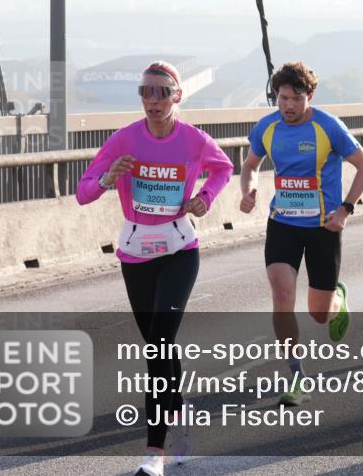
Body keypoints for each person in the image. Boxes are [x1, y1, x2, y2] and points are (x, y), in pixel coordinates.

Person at [77, 60, 233, 476]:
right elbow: (83, 192)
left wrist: (206, 197)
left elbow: (224, 168)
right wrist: (110, 178)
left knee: (159, 342)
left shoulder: (193, 140)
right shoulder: (124, 139)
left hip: (180, 249)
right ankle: (179, 417)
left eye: (161, 92)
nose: (152, 100)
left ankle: (153, 453)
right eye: (145, 91)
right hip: (136, 254)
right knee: (158, 349)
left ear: (177, 96)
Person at [239, 61, 363, 406]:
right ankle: (296, 375)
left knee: (319, 312)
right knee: (282, 295)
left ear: (309, 97)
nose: (287, 106)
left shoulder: (328, 127)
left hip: (323, 227)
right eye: (282, 98)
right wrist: (249, 191)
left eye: (295, 99)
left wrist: (345, 209)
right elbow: (250, 165)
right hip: (282, 223)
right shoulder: (267, 127)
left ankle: (337, 300)